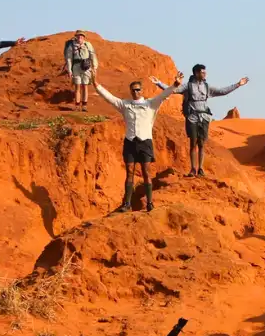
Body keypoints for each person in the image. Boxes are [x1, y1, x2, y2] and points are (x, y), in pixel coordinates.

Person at [91, 69, 184, 212]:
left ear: (141, 90)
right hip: (130, 142)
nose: (135, 92)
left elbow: (163, 95)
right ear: (130, 91)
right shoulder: (125, 104)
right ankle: (127, 204)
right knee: (129, 171)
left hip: (145, 142)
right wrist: (95, 83)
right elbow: (108, 97)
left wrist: (175, 85)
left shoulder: (150, 104)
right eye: (133, 90)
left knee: (146, 171)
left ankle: (149, 203)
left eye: (138, 90)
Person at [169, 64, 248, 177]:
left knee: (201, 143)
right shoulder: (188, 86)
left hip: (204, 118)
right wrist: (162, 84)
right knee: (193, 143)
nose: (205, 74)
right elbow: (173, 90)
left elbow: (222, 91)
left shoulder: (207, 87)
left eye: (205, 72)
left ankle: (200, 169)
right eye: (202, 72)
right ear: (196, 73)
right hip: (192, 117)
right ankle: (193, 169)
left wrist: (238, 85)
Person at [64, 30, 99, 111]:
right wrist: (69, 70)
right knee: (77, 86)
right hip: (76, 67)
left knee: (85, 85)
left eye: (82, 36)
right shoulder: (72, 45)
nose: (80, 37)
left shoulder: (88, 45)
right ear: (76, 36)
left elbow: (92, 55)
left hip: (86, 66)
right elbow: (69, 58)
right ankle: (77, 105)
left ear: (84, 37)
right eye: (78, 36)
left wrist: (95, 67)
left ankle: (84, 105)